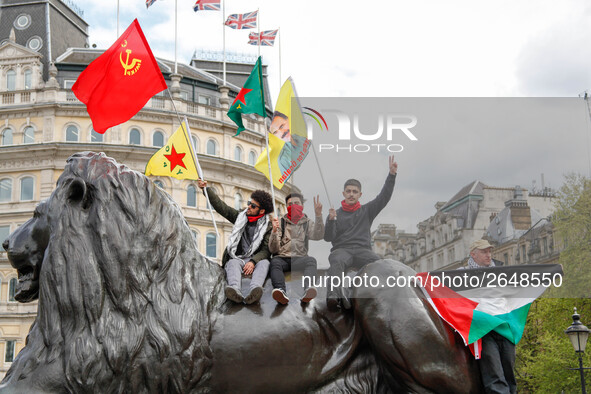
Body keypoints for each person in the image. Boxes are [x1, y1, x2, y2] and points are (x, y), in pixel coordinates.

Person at [324, 156, 398, 310]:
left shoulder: (367, 211)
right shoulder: (334, 214)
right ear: (343, 193)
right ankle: (333, 297)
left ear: (360, 195)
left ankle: (385, 298)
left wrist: (391, 175)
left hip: (363, 250)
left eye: (355, 192)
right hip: (342, 250)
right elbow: (328, 238)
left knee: (380, 264)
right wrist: (331, 221)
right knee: (336, 260)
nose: (351, 194)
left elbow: (384, 197)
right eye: (349, 191)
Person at [197, 180, 273, 304]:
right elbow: (222, 208)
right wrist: (206, 189)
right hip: (239, 258)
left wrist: (253, 262)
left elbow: (266, 250)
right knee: (232, 263)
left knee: (265, 263)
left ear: (262, 211)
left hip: (255, 259)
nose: (249, 206)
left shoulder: (268, 227)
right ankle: (234, 290)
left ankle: (255, 290)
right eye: (249, 203)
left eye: (253, 206)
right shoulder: (240, 217)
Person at [465, 239, 516, 394]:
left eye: (489, 251)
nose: (489, 255)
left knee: (510, 376)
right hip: (484, 331)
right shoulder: (462, 274)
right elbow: (438, 282)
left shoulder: (501, 272)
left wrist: (551, 271)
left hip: (505, 328)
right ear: (473, 254)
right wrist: (419, 280)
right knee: (494, 375)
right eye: (484, 252)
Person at [269, 193, 324, 305]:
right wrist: (274, 232)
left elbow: (318, 235)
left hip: (300, 258)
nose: (293, 206)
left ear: (302, 205)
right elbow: (273, 249)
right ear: (286, 206)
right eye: (290, 204)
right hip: (282, 258)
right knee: (274, 262)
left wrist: (318, 216)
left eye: (296, 203)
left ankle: (308, 289)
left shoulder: (307, 222)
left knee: (311, 261)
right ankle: (280, 290)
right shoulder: (280, 222)